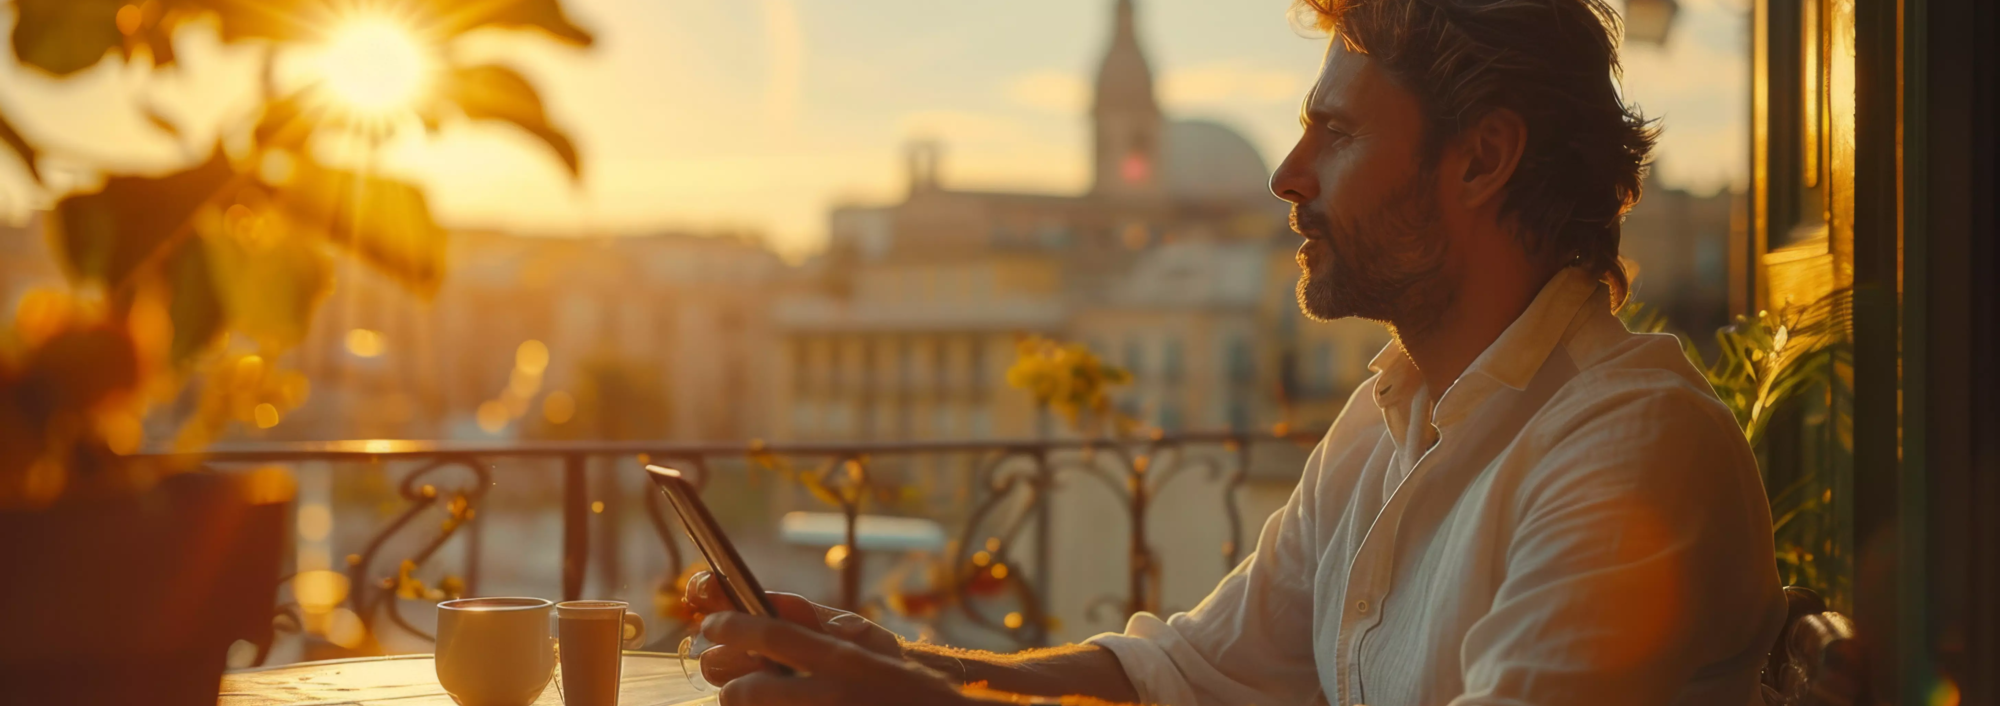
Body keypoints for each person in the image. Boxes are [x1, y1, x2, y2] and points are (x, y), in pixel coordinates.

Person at [688, 0, 1787, 703]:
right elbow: (1183, 673)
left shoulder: (1627, 453)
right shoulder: (1389, 418)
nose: (1285, 174)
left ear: (1480, 158)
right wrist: (898, 663)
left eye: (1338, 132)